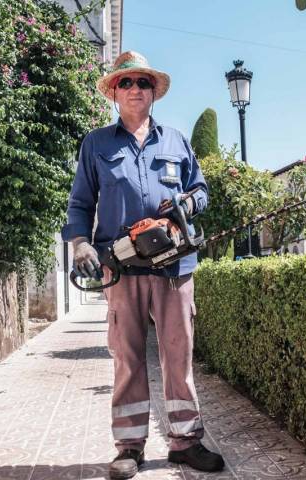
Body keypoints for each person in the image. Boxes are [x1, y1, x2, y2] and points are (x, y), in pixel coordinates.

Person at [61, 51, 224, 479]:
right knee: (128, 358)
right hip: (122, 268)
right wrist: (80, 244)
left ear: (154, 92)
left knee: (178, 355)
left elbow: (201, 189)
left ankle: (185, 442)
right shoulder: (97, 144)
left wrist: (187, 201)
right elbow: (80, 203)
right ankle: (129, 447)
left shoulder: (176, 141)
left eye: (143, 83)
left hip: (174, 267)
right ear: (114, 92)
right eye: (127, 83)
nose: (135, 89)